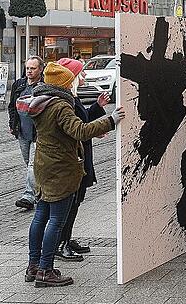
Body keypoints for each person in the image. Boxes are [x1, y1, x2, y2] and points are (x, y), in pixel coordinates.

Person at [22, 63, 124, 287]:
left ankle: (33, 266)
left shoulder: (39, 101)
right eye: (72, 80)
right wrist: (111, 120)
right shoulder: (60, 106)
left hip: (44, 164)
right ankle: (46, 271)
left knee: (40, 216)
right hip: (61, 168)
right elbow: (80, 130)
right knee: (56, 221)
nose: (76, 82)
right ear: (64, 84)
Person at [54, 58, 111, 262]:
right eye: (81, 73)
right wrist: (105, 124)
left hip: (80, 155)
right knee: (72, 202)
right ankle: (61, 243)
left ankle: (66, 239)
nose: (85, 75)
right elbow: (79, 128)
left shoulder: (73, 98)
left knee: (76, 202)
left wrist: (97, 107)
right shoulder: (66, 100)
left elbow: (83, 119)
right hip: (75, 158)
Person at [8, 56, 45, 210]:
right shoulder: (19, 84)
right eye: (28, 68)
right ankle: (42, 191)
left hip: (39, 132)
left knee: (32, 165)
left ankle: (29, 196)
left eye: (33, 68)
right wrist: (12, 124)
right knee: (30, 164)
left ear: (40, 69)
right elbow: (11, 106)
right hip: (22, 131)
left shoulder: (44, 85)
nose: (29, 71)